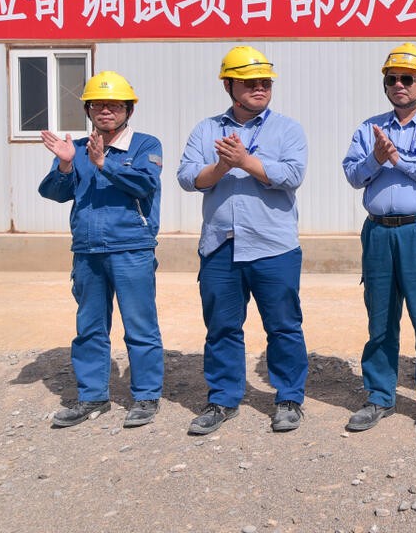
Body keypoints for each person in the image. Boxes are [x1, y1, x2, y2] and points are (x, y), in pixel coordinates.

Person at [177, 45, 309, 435]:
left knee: (283, 326)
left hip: (273, 246)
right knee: (222, 326)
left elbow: (292, 175)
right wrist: (221, 166)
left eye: (265, 81)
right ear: (229, 86)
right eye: (250, 82)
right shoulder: (206, 130)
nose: (260, 88)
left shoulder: (287, 129)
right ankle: (222, 399)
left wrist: (245, 162)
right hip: (220, 245)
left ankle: (289, 399)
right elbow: (187, 177)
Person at [341, 43, 416, 436]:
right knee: (380, 319)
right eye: (392, 78)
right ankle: (379, 396)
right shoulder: (369, 129)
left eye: (408, 78)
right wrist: (376, 158)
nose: (399, 85)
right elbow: (353, 175)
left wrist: (398, 161)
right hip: (379, 232)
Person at [38, 71, 164, 429]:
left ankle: (146, 396)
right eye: (97, 105)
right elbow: (54, 192)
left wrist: (105, 164)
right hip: (88, 251)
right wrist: (65, 164)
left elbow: (145, 183)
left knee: (140, 326)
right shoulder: (76, 149)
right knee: (90, 327)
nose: (105, 111)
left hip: (131, 248)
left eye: (114, 105)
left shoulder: (145, 145)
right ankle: (92, 396)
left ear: (128, 110)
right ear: (88, 110)